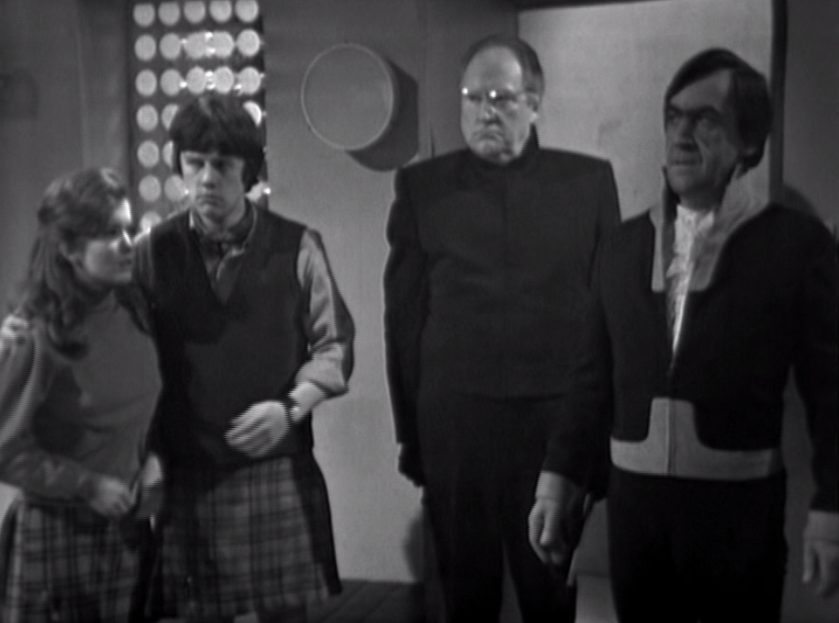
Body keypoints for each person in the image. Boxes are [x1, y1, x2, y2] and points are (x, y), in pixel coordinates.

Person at [528, 48, 839, 622]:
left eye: (706, 119)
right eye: (674, 116)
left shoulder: (797, 244)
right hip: (636, 513)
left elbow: (832, 390)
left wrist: (832, 510)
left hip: (739, 515)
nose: (681, 134)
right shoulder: (622, 246)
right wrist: (558, 479)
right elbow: (591, 380)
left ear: (749, 142)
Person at [383, 33, 621, 622]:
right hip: (455, 429)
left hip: (553, 428)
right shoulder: (422, 188)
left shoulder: (587, 184)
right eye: (473, 97)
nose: (485, 111)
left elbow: (609, 321)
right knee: (466, 597)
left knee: (549, 596)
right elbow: (403, 322)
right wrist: (411, 436)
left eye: (502, 98)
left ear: (534, 103)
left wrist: (596, 446)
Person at [135, 93, 355, 623]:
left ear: (249, 171)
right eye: (195, 164)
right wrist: (148, 454)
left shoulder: (297, 245)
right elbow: (134, 364)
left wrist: (292, 408)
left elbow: (334, 344)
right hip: (190, 467)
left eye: (222, 165)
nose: (207, 179)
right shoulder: (152, 252)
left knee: (286, 615)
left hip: (276, 463)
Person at [0, 168, 162, 623]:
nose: (128, 243)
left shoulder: (134, 310)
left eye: (129, 228)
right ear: (69, 249)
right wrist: (86, 485)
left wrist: (152, 461)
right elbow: (3, 448)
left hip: (126, 529)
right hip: (58, 533)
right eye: (110, 233)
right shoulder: (36, 333)